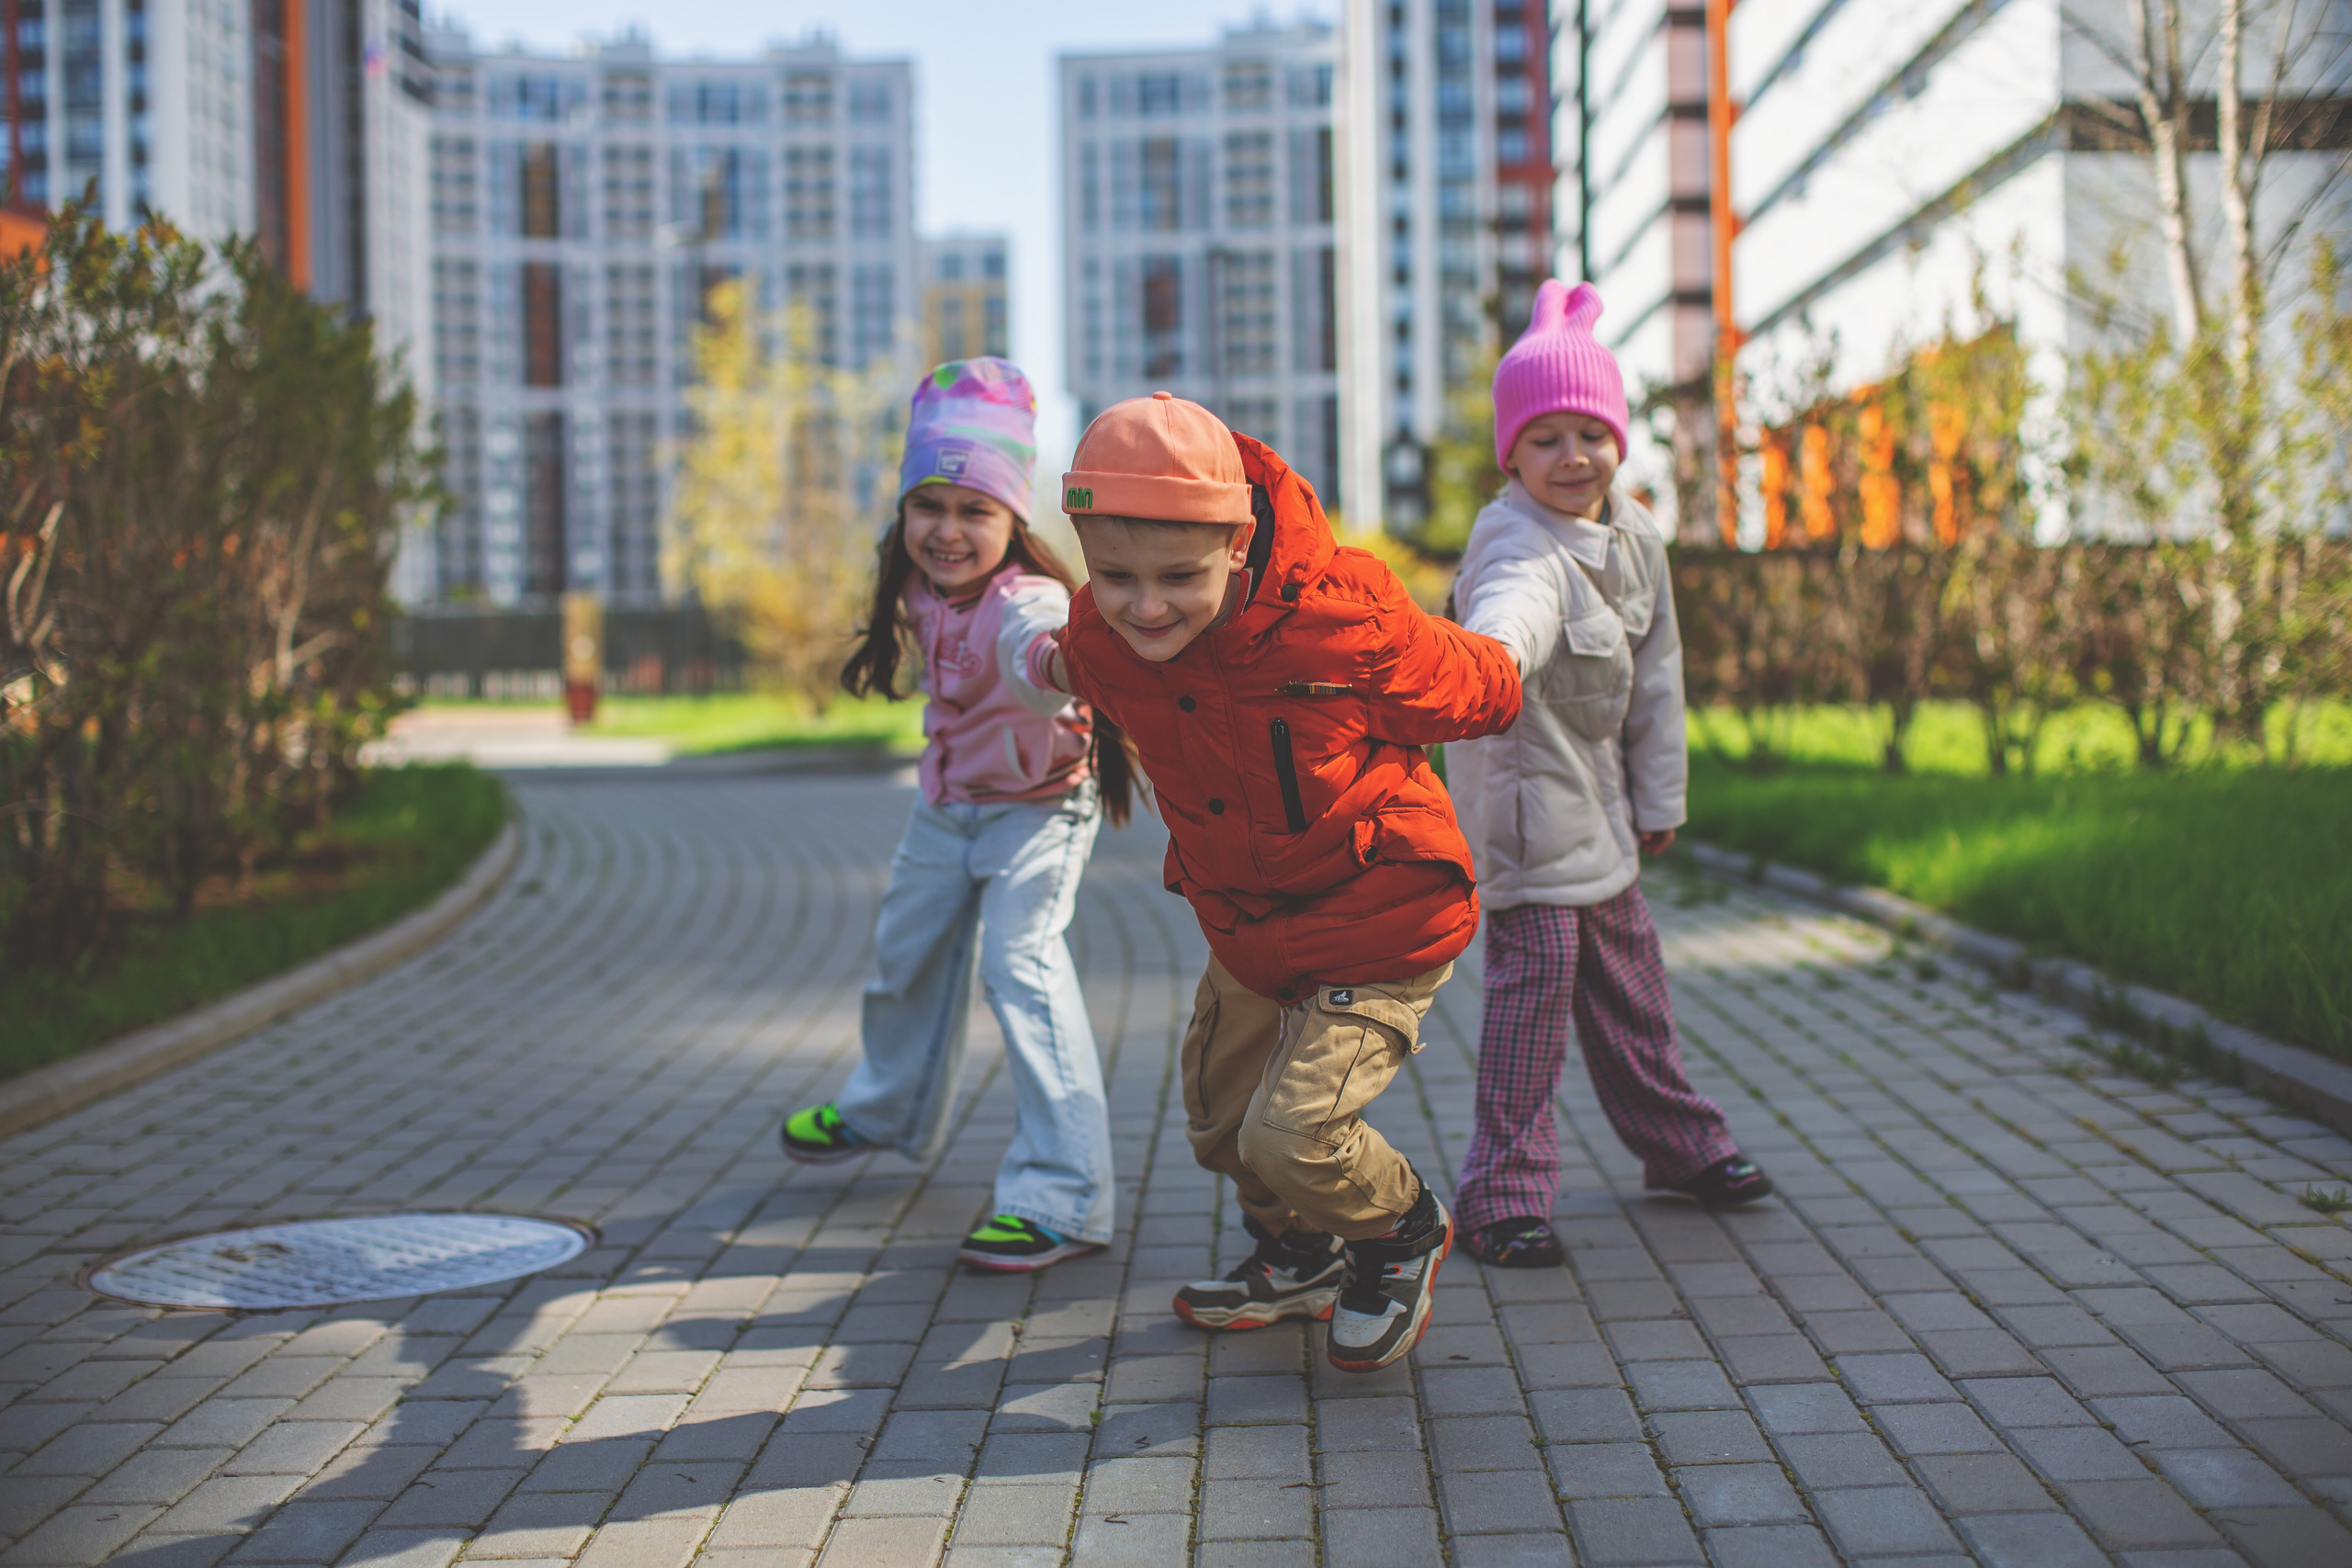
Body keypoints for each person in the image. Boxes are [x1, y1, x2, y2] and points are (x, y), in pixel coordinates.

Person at [1036, 391, 1522, 1371]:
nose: (1145, 607)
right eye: (1116, 576)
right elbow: (1062, 659)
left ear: (1236, 543)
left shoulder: (1342, 616)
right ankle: (1301, 1256)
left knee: (1290, 1134)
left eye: (1179, 577)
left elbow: (1478, 686)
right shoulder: (1104, 638)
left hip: (1382, 916)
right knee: (1221, 1123)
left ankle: (1399, 1229)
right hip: (1250, 929)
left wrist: (1512, 642)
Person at [778, 357, 1134, 1273]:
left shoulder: (1026, 598)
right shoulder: (917, 588)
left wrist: (1064, 663)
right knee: (905, 954)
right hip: (947, 807)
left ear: (1013, 521)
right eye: (927, 505)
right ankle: (886, 1109)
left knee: (1022, 968)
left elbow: (1037, 649)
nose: (947, 530)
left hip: (1039, 809)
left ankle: (1064, 1194)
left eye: (975, 510)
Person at [1445, 280, 1773, 1269]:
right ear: (1510, 456)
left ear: (1618, 441)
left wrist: (1660, 798)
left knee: (1633, 988)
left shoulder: (1634, 536)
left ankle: (1679, 1145)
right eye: (1544, 439)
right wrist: (1492, 656)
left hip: (1603, 804)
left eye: (1590, 433)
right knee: (1533, 1003)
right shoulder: (1515, 544)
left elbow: (1656, 676)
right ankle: (1502, 1194)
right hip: (1527, 816)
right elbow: (1510, 611)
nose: (1572, 456)